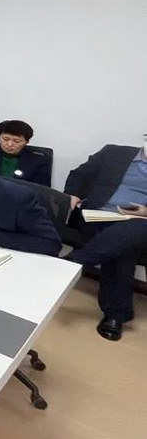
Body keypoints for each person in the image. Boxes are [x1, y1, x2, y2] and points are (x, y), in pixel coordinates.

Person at [63, 139, 147, 340]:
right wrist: (72, 194)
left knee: (128, 236)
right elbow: (79, 174)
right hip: (96, 215)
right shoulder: (114, 153)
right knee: (123, 248)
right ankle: (116, 315)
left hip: (137, 222)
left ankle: (73, 262)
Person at [0, 120, 51, 186]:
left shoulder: (38, 162)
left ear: (26, 142)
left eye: (16, 141)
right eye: (5, 139)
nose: (10, 144)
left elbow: (42, 189)